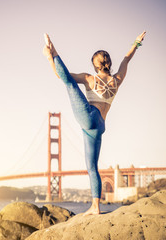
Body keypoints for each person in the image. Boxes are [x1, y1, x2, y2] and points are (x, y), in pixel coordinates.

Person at [43, 31, 146, 215]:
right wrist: (136, 43)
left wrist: (51, 57)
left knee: (70, 84)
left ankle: (54, 50)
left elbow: (64, 76)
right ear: (109, 63)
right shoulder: (117, 79)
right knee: (92, 167)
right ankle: (95, 207)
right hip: (99, 127)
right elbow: (126, 59)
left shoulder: (89, 78)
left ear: (94, 64)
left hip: (89, 116)